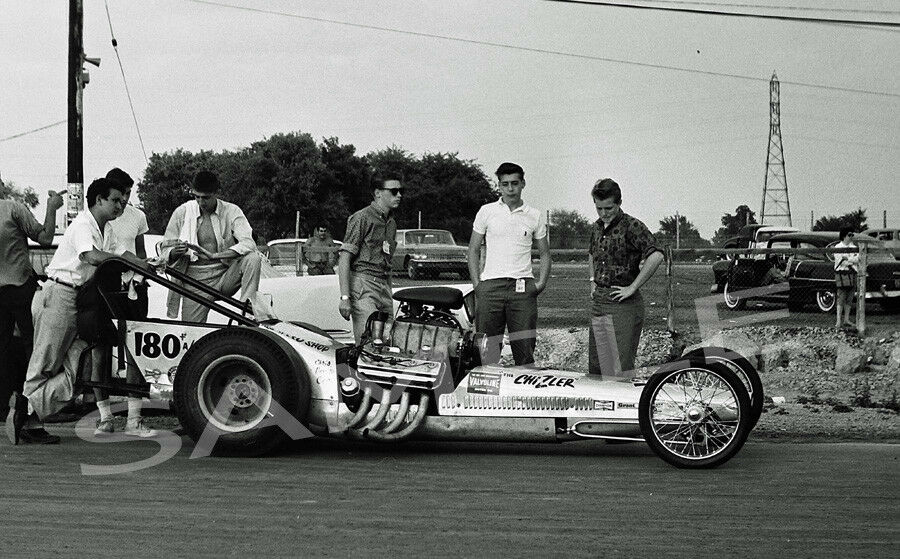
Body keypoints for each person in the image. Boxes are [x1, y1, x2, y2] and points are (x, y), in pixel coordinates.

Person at [6, 178, 148, 445]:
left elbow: (124, 254)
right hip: (60, 294)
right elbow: (91, 256)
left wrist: (148, 265)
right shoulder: (83, 224)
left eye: (122, 200)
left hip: (81, 300)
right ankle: (30, 422)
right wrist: (119, 260)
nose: (121, 205)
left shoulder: (106, 230)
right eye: (115, 200)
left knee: (79, 369)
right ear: (99, 200)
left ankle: (26, 406)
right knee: (45, 364)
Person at [467, 162, 551, 366]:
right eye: (505, 184)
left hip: (522, 289)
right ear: (499, 186)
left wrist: (540, 284)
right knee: (486, 350)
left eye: (515, 183)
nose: (510, 188)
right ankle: (486, 395)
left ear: (523, 183)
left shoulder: (534, 215)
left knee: (524, 348)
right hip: (490, 288)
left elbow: (545, 253)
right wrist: (478, 285)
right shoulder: (487, 211)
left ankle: (522, 393)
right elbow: (473, 249)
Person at [93, 167, 156, 438]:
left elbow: (139, 253)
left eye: (128, 195)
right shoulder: (100, 220)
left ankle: (134, 419)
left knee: (135, 349)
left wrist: (146, 270)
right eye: (119, 197)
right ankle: (105, 417)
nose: (123, 202)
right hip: (105, 289)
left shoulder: (137, 216)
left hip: (134, 288)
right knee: (100, 350)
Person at [586, 178, 663, 377]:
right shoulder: (596, 227)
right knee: (597, 366)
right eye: (599, 208)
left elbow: (656, 255)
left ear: (619, 203)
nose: (604, 213)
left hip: (623, 303)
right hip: (599, 300)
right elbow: (592, 254)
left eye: (609, 208)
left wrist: (633, 287)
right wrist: (592, 282)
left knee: (618, 369)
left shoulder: (632, 226)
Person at [162, 170, 262, 323]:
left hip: (224, 276)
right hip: (194, 282)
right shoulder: (182, 212)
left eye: (206, 198)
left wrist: (215, 255)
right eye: (197, 197)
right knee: (191, 333)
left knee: (253, 258)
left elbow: (249, 243)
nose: (201, 202)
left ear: (216, 193)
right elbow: (164, 250)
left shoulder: (231, 210)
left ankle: (247, 313)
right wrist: (174, 252)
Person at [0, 190, 63, 420]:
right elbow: (45, 239)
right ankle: (34, 407)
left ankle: (4, 407)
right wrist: (52, 207)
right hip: (19, 286)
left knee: (3, 349)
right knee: (34, 346)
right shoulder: (12, 208)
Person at [338, 172, 402, 343]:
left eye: (400, 191)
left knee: (388, 340)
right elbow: (344, 257)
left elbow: (386, 259)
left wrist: (388, 290)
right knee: (367, 343)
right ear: (378, 193)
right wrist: (345, 298)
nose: (399, 195)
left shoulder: (391, 223)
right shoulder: (362, 218)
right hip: (364, 285)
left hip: (384, 285)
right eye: (394, 191)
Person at [833, 227, 859, 331]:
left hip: (852, 273)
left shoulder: (854, 246)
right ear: (844, 235)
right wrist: (851, 260)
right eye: (849, 235)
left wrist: (848, 258)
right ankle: (839, 320)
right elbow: (841, 261)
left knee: (850, 297)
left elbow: (858, 259)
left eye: (852, 235)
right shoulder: (837, 247)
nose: (851, 237)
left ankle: (846, 319)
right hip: (842, 273)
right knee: (841, 296)